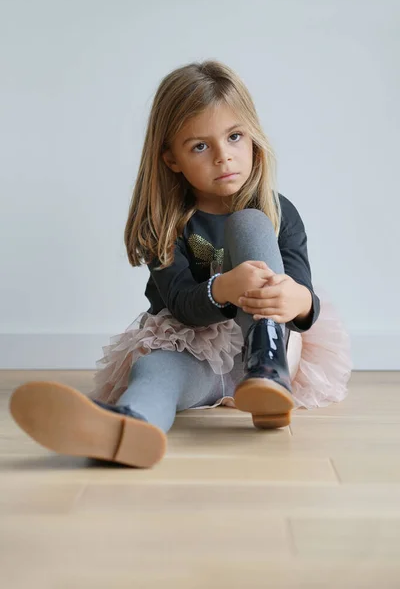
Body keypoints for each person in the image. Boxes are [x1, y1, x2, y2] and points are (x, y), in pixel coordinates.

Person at [9, 60, 352, 469]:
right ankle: (129, 427)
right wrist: (224, 287)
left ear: (254, 138)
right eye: (201, 146)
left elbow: (303, 300)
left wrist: (294, 298)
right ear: (172, 158)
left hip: (275, 346)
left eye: (235, 136)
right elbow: (182, 306)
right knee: (155, 370)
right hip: (199, 355)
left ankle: (266, 369)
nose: (224, 157)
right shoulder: (168, 223)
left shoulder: (279, 212)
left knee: (250, 222)